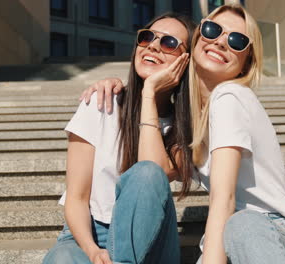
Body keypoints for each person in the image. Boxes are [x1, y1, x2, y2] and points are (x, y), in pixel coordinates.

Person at [82, 4, 285, 264]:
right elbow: (152, 170)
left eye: (236, 40)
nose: (220, 42)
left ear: (246, 62)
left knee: (243, 224)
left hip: (273, 237)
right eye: (212, 29)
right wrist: (147, 92)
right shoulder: (193, 121)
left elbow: (224, 198)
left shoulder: (229, 97)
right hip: (231, 241)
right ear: (197, 39)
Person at [43, 13, 195, 264]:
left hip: (151, 238)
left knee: (146, 172)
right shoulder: (101, 103)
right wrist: (92, 250)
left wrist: (149, 95)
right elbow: (77, 198)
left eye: (168, 43)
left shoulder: (187, 128)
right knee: (62, 260)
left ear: (186, 61)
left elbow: (152, 172)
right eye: (147, 38)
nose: (153, 46)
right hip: (89, 233)